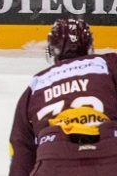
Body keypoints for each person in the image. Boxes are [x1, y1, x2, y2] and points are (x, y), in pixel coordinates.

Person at [8, 18, 117, 176]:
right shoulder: (108, 63)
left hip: (53, 160)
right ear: (89, 47)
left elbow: (21, 150)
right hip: (110, 153)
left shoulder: (36, 85)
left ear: (52, 51)